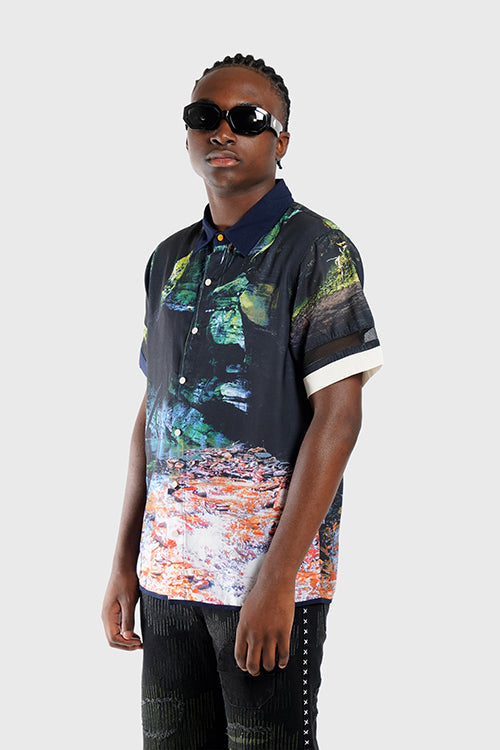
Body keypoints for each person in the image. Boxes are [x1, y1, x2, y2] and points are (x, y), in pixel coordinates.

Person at [102, 53, 383, 750]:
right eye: (205, 116)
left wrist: (278, 580)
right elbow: (155, 411)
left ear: (281, 139)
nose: (222, 132)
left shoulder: (319, 251)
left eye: (247, 119)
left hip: (265, 585)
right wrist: (124, 559)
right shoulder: (168, 259)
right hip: (167, 583)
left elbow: (339, 417)